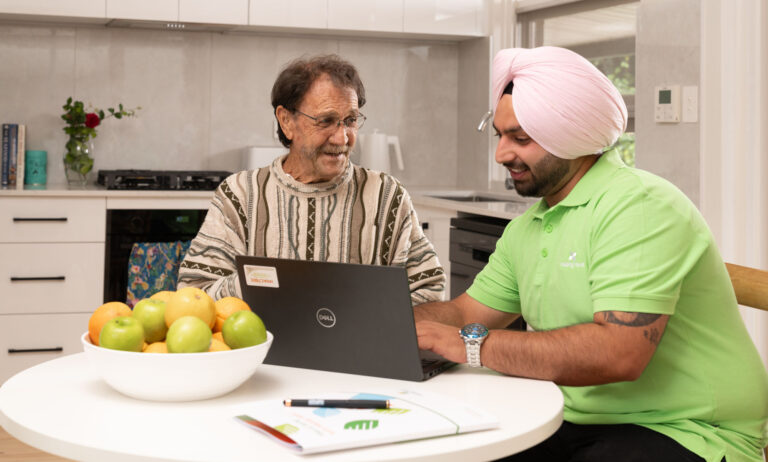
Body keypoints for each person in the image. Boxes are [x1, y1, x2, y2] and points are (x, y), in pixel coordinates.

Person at [415, 46, 768, 462]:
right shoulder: (529, 227)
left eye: (520, 139)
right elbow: (462, 316)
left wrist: (470, 346)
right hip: (573, 417)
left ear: (571, 135)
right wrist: (384, 327)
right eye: (500, 135)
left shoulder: (639, 206)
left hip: (688, 429)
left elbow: (618, 354)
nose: (502, 154)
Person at [178, 54, 445, 304]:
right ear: (286, 121)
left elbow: (429, 290)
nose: (342, 138)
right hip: (261, 353)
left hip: (357, 354)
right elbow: (194, 294)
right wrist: (262, 280)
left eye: (350, 120)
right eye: (326, 121)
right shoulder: (239, 195)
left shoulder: (387, 196)